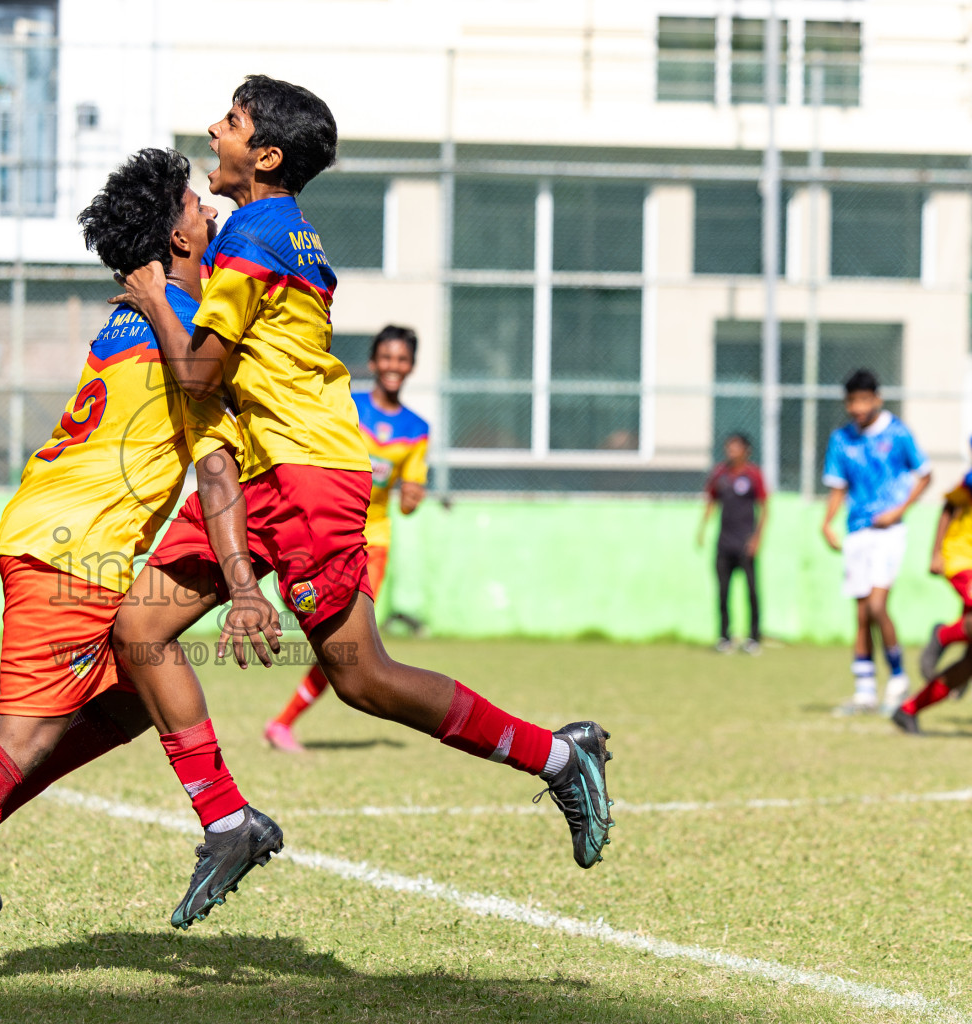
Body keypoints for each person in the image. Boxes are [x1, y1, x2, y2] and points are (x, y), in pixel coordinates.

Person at [110, 76, 615, 931]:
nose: (213, 129)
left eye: (230, 123)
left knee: (364, 680)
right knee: (139, 627)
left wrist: (154, 295)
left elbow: (198, 373)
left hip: (306, 476)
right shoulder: (265, 230)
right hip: (266, 470)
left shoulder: (254, 239)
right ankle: (227, 820)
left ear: (264, 156)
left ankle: (560, 757)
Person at [0, 148, 279, 996]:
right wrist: (243, 586)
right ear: (175, 234)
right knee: (16, 742)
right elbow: (215, 459)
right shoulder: (184, 328)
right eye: (199, 205)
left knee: (129, 698)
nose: (210, 211)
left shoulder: (137, 318)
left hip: (55, 534)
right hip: (66, 549)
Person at [264, 324, 428, 753]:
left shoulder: (417, 429)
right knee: (336, 639)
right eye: (387, 358)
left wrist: (412, 497)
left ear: (411, 366)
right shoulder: (345, 405)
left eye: (403, 359)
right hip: (325, 530)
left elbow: (408, 503)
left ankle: (282, 724)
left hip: (373, 539)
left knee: (347, 642)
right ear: (373, 362)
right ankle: (281, 724)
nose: (394, 366)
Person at [821, 368, 932, 715]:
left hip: (889, 531)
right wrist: (826, 523)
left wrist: (899, 510)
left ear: (877, 399)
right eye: (852, 401)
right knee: (859, 613)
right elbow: (838, 487)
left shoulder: (897, 433)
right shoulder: (841, 439)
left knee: (877, 605)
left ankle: (898, 677)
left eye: (864, 400)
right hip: (857, 531)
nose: (857, 407)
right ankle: (865, 690)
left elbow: (925, 475)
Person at [898, 437, 972, 733]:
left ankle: (909, 709)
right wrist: (936, 551)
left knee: (968, 665)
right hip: (963, 558)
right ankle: (944, 634)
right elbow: (947, 507)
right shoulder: (969, 480)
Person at [697, 433, 767, 655]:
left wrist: (757, 538)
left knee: (752, 592)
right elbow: (711, 502)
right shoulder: (720, 474)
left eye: (736, 447)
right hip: (724, 544)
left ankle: (753, 638)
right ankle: (724, 637)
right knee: (723, 592)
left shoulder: (753, 475)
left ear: (746, 451)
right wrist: (702, 529)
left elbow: (765, 508)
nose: (731, 452)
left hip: (745, 543)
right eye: (729, 447)